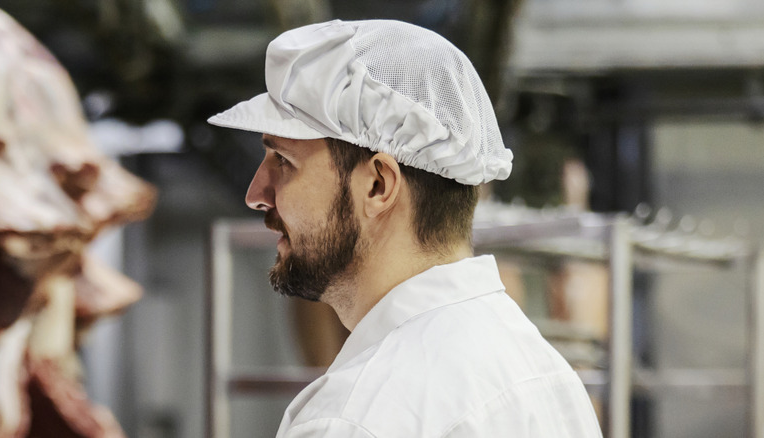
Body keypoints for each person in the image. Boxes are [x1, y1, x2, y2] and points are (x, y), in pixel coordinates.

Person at [208, 19, 602, 438]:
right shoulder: (544, 376)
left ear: (379, 185)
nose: (256, 193)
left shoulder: (356, 419)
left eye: (283, 161)